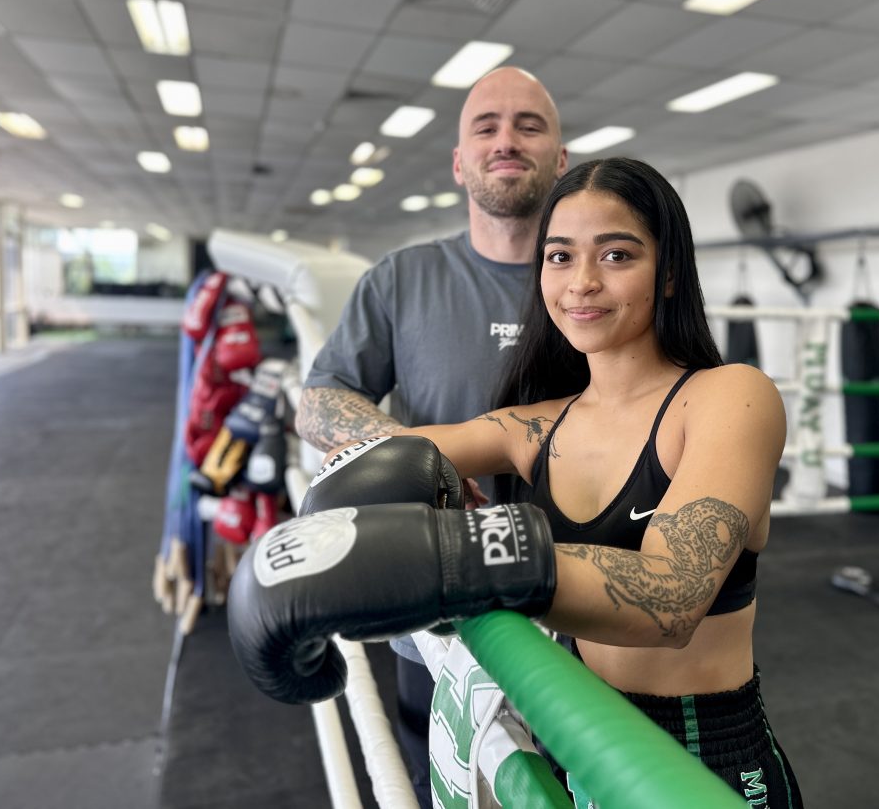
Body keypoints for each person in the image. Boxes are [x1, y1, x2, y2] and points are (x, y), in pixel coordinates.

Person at [313, 156, 803, 805]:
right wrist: (416, 479)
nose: (582, 283)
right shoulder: (535, 427)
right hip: (572, 735)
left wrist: (460, 556)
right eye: (560, 257)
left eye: (618, 255)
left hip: (698, 757)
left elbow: (672, 595)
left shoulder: (728, 397)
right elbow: (368, 453)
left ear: (670, 273)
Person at [295, 66, 568, 805]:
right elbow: (320, 400)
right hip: (445, 598)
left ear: (562, 158)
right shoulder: (404, 278)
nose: (506, 141)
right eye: (486, 127)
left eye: (529, 125)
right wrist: (417, 459)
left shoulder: (589, 282)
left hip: (582, 595)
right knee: (442, 783)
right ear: (458, 161)